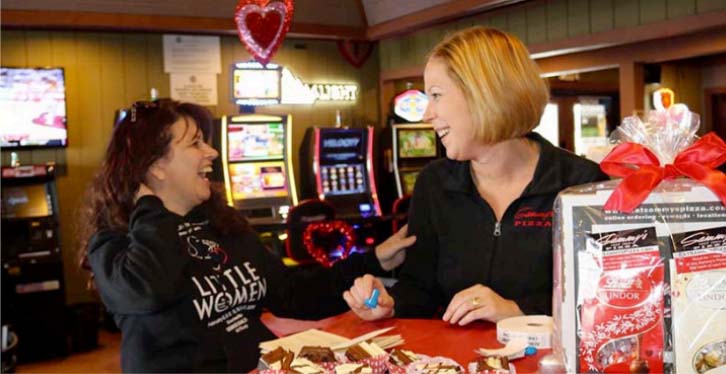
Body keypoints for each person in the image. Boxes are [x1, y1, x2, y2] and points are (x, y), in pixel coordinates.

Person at [77, 99, 416, 373]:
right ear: (156, 165)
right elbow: (148, 291)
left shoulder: (221, 223)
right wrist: (151, 207)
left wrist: (373, 260)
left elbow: (292, 292)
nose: (211, 152)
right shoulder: (114, 243)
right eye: (195, 143)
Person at [343, 27, 609, 326]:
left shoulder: (582, 184)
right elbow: (420, 290)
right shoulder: (435, 182)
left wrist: (516, 310)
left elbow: (606, 301)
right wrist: (390, 305)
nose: (427, 114)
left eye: (436, 95)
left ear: (484, 94)